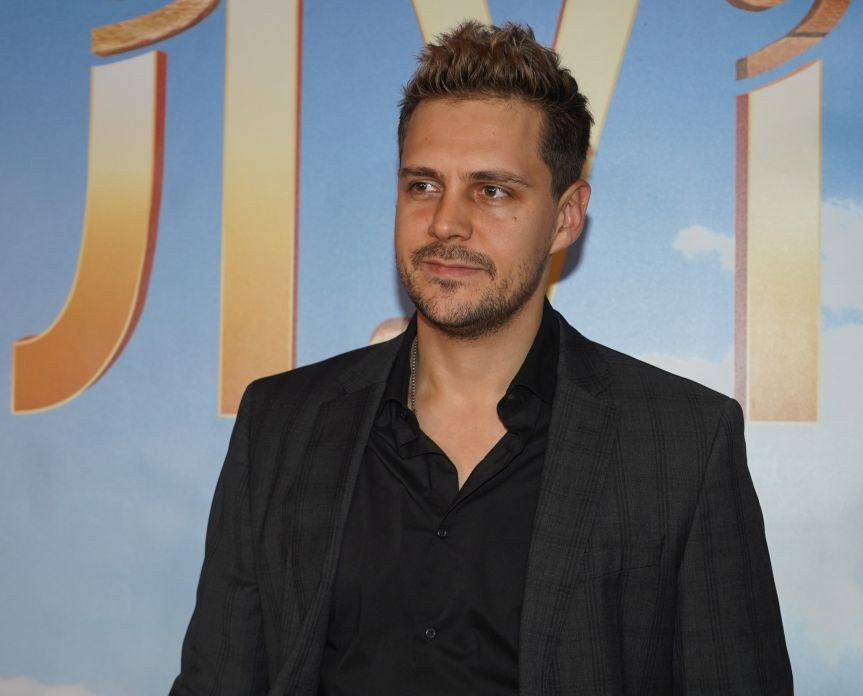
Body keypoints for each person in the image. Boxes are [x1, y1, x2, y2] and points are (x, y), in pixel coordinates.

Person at [171, 20, 792, 696]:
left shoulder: (681, 443)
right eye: (423, 185)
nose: (446, 222)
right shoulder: (282, 423)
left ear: (566, 215)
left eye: (492, 190)